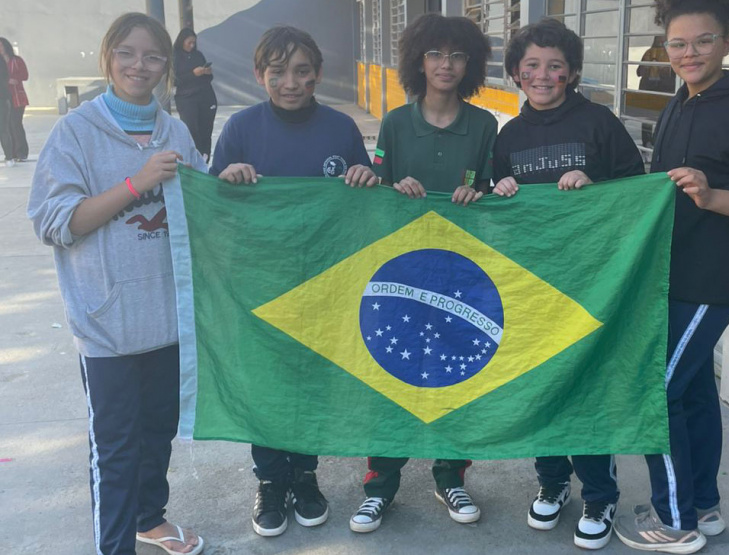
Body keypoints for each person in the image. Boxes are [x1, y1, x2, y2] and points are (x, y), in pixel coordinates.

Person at [613, 1, 729, 553]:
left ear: (728, 40)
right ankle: (704, 507)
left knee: (656, 390)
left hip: (715, 279)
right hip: (675, 271)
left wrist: (712, 194)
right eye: (677, 44)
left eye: (702, 41)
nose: (688, 53)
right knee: (691, 391)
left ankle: (675, 521)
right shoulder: (679, 102)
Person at [27, 12, 207, 555]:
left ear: (166, 68)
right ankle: (115, 545)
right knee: (116, 448)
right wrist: (137, 182)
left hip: (167, 318)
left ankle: (149, 519)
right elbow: (55, 223)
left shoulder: (174, 131)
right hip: (108, 323)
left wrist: (230, 184)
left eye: (153, 56)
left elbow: (200, 205)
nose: (140, 65)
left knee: (157, 435)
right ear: (108, 57)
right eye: (127, 53)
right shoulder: (75, 132)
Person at [208, 25, 377, 538]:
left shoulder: (340, 128)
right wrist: (226, 180)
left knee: (311, 383)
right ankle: (270, 480)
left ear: (318, 74)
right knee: (267, 386)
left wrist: (365, 179)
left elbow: (367, 202)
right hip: (260, 282)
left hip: (325, 282)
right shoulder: (240, 128)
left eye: (302, 71)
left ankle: (305, 476)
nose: (290, 82)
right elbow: (211, 203)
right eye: (277, 72)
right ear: (261, 75)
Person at [490, 18, 644, 550]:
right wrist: (499, 186)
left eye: (555, 65)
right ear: (515, 73)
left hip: (591, 283)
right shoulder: (508, 135)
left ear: (572, 71)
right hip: (530, 287)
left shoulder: (599, 122)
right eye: (531, 65)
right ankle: (552, 482)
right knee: (543, 385)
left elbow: (636, 191)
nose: (543, 75)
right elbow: (491, 208)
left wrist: (595, 185)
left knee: (586, 387)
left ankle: (599, 494)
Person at [349, 13, 496, 534]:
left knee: (454, 378)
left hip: (460, 276)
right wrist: (385, 184)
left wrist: (481, 193)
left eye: (457, 55)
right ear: (418, 60)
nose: (446, 65)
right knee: (390, 375)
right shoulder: (393, 122)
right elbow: (376, 194)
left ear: (471, 64)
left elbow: (496, 195)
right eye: (435, 54)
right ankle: (379, 486)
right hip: (399, 273)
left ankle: (450, 475)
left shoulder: (484, 126)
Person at [173, 28, 217, 161]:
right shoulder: (175, 57)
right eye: (189, 43)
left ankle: (205, 157)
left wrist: (207, 73)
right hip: (186, 98)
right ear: (182, 41)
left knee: (206, 129)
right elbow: (174, 81)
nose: (192, 45)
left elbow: (209, 79)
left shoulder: (198, 55)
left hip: (205, 96)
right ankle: (194, 157)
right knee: (191, 128)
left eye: (194, 43)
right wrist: (193, 74)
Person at [0, 37, 28, 163]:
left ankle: (21, 152)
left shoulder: (16, 60)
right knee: (7, 126)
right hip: (5, 96)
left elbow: (25, 75)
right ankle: (12, 153)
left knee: (16, 124)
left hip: (17, 96)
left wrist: (13, 79)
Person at [0, 48, 12, 166]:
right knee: (3, 129)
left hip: (2, 99)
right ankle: (9, 158)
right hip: (3, 98)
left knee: (3, 129)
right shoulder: (2, 61)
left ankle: (9, 157)